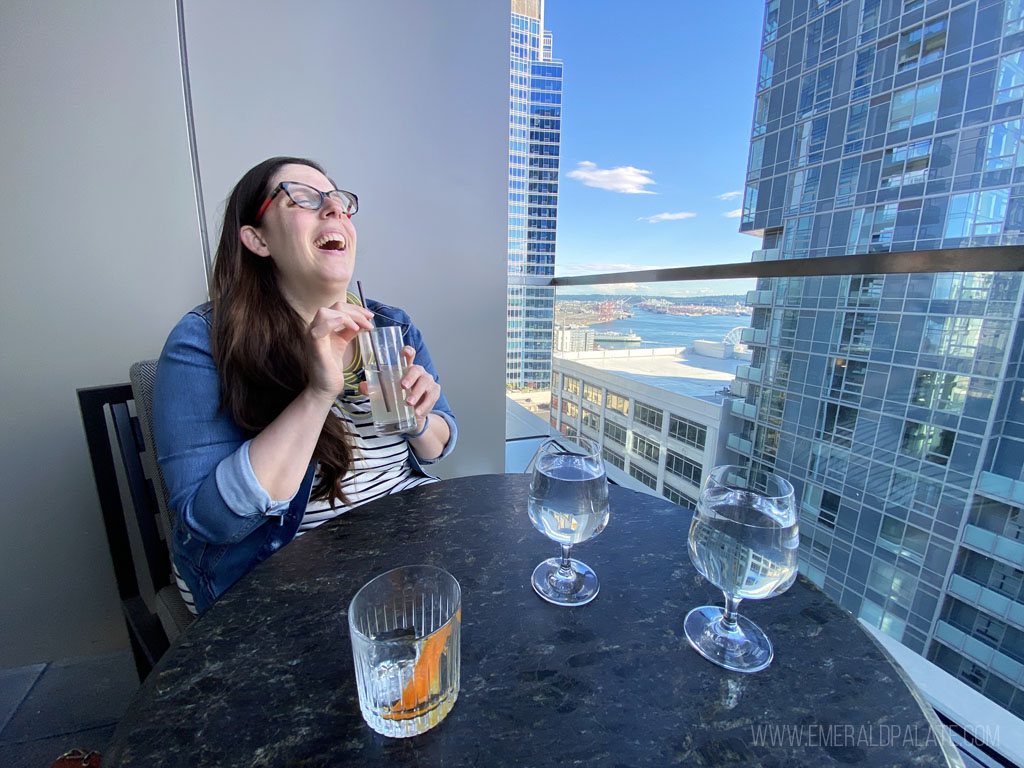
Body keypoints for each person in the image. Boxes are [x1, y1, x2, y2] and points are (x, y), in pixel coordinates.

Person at [152, 157, 457, 614]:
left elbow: (441, 441)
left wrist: (418, 421)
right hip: (279, 570)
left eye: (339, 201)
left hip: (401, 544)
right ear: (257, 239)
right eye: (304, 198)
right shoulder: (204, 341)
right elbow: (208, 520)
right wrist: (317, 393)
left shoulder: (391, 325)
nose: (333, 209)